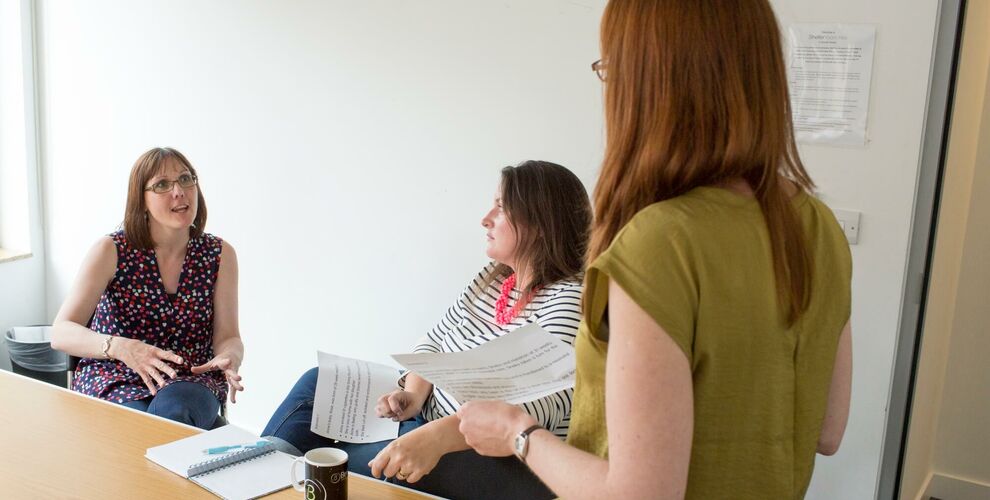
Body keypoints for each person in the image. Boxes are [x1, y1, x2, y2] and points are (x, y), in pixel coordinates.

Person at [457, 1, 854, 499]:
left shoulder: (660, 242)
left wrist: (518, 434)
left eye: (610, 69)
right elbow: (827, 430)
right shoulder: (818, 227)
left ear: (646, 83)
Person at [262, 160, 591, 500]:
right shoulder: (493, 281)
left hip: (474, 454)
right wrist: (414, 392)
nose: (485, 219)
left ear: (540, 224)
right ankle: (259, 469)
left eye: (501, 208)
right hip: (423, 418)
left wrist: (435, 436)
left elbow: (537, 407)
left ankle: (274, 474)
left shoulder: (568, 302)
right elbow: (435, 340)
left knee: (331, 466)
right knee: (317, 382)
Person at [51, 147, 244, 430]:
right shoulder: (111, 250)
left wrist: (231, 356)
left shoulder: (219, 254)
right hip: (115, 374)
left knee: (175, 414)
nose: (178, 191)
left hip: (189, 379)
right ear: (140, 200)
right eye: (162, 185)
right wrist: (120, 347)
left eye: (186, 179)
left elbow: (228, 336)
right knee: (134, 429)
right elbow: (61, 332)